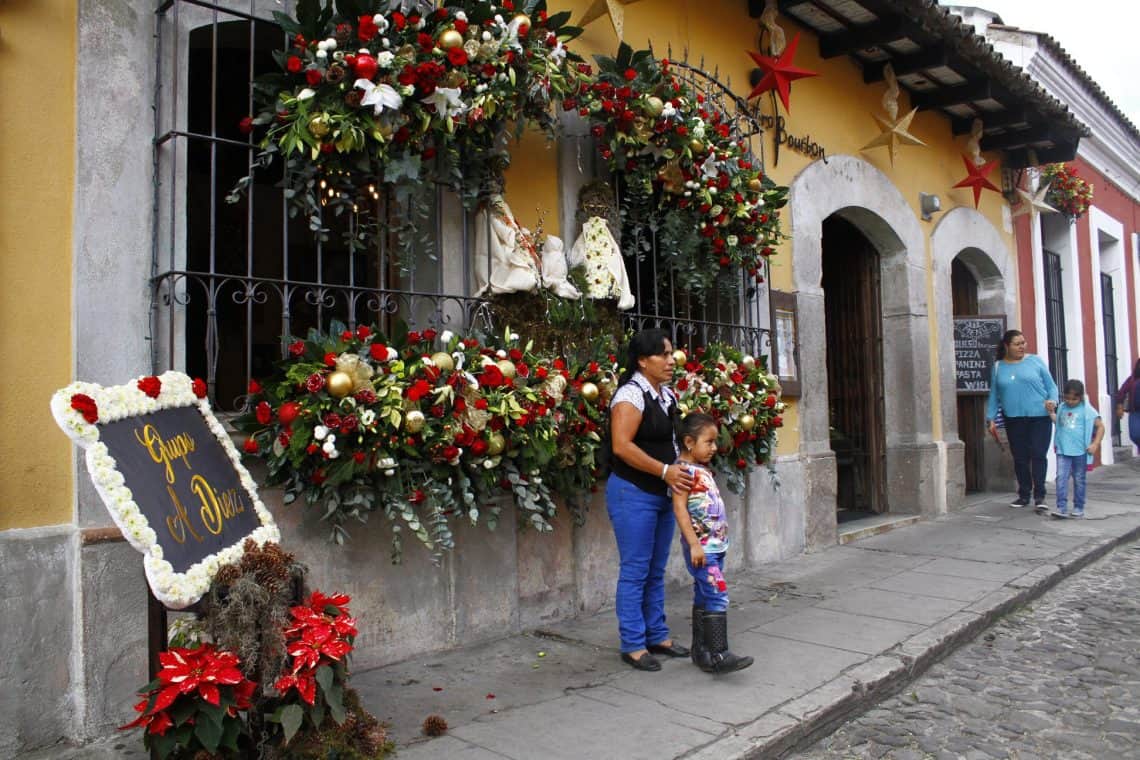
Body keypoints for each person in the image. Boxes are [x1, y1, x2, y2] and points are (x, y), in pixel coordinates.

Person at [607, 329, 694, 671]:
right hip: (633, 493)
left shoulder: (665, 395)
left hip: (662, 494)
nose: (672, 360)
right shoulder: (631, 395)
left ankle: (657, 634)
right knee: (635, 571)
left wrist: (687, 470)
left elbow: (673, 443)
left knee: (656, 570)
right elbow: (621, 446)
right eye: (664, 354)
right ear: (643, 361)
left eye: (672, 353)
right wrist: (664, 472)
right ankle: (632, 643)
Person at [672, 412, 753, 674]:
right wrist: (694, 544)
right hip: (703, 550)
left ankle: (701, 651)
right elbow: (680, 509)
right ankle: (720, 653)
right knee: (717, 594)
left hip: (714, 548)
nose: (714, 448)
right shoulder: (683, 472)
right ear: (689, 442)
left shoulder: (700, 469)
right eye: (709, 442)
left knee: (704, 595)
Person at [985, 330, 1058, 510]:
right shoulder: (998, 367)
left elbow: (1052, 387)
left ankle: (1040, 496)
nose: (1022, 347)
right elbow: (995, 395)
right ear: (1007, 346)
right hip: (1014, 419)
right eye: (1017, 344)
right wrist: (990, 418)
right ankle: (1024, 495)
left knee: (1038, 455)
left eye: (1023, 343)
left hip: (1040, 417)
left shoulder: (1035, 361)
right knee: (1020, 458)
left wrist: (1052, 401)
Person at [1048, 379, 1104, 520]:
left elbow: (1101, 426)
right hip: (1063, 450)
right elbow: (1058, 422)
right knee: (1061, 478)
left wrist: (1095, 444)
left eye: (1074, 399)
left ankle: (1079, 506)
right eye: (1067, 398)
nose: (1070, 401)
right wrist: (1050, 413)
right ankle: (1061, 507)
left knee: (1079, 479)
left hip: (1080, 451)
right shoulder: (1061, 407)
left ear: (1081, 397)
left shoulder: (1087, 410)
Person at [1114, 359, 1140, 449]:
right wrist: (1119, 407)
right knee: (1135, 435)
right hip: (1135, 412)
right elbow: (1121, 392)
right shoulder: (1132, 379)